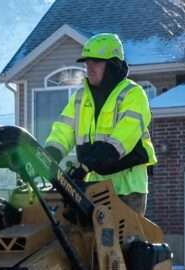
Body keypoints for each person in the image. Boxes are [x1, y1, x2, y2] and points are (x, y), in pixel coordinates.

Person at [45, 33, 157, 215]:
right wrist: (51, 153)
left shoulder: (132, 94)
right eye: (87, 63)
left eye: (96, 62)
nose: (89, 68)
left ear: (112, 65)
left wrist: (92, 161)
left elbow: (123, 137)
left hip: (128, 189)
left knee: (121, 242)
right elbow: (63, 129)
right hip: (94, 187)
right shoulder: (80, 98)